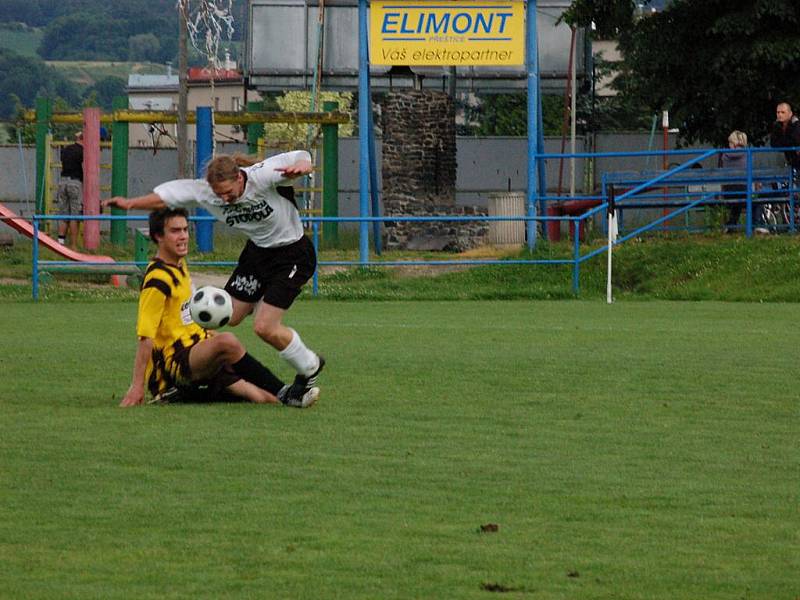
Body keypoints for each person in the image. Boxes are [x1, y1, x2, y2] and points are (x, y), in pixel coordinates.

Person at [102, 151, 324, 404]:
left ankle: (309, 366)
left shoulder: (261, 176)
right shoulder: (206, 192)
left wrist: (303, 167)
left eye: (228, 192)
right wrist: (131, 204)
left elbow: (302, 156)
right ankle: (202, 376)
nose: (224, 199)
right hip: (257, 254)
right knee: (231, 316)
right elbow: (166, 196)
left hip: (292, 253)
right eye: (219, 194)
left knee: (264, 327)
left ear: (240, 179)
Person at [120, 206, 319, 409]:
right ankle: (286, 392)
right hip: (175, 363)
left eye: (185, 230)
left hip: (199, 353)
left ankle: (188, 393)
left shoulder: (179, 265)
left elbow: (183, 320)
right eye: (175, 231)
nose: (183, 236)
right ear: (158, 237)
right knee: (227, 341)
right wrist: (137, 386)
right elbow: (145, 336)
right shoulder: (157, 279)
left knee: (265, 398)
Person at [718, 130, 750, 233]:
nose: (729, 145)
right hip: (743, 190)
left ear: (735, 143)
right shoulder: (748, 154)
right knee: (755, 200)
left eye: (730, 143)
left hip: (728, 191)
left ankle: (731, 225)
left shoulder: (724, 156)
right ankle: (757, 224)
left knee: (737, 202)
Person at [56, 131, 83, 248]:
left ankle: (60, 244)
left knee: (63, 214)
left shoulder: (66, 149)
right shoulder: (83, 151)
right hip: (74, 182)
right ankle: (73, 245)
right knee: (74, 215)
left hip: (62, 182)